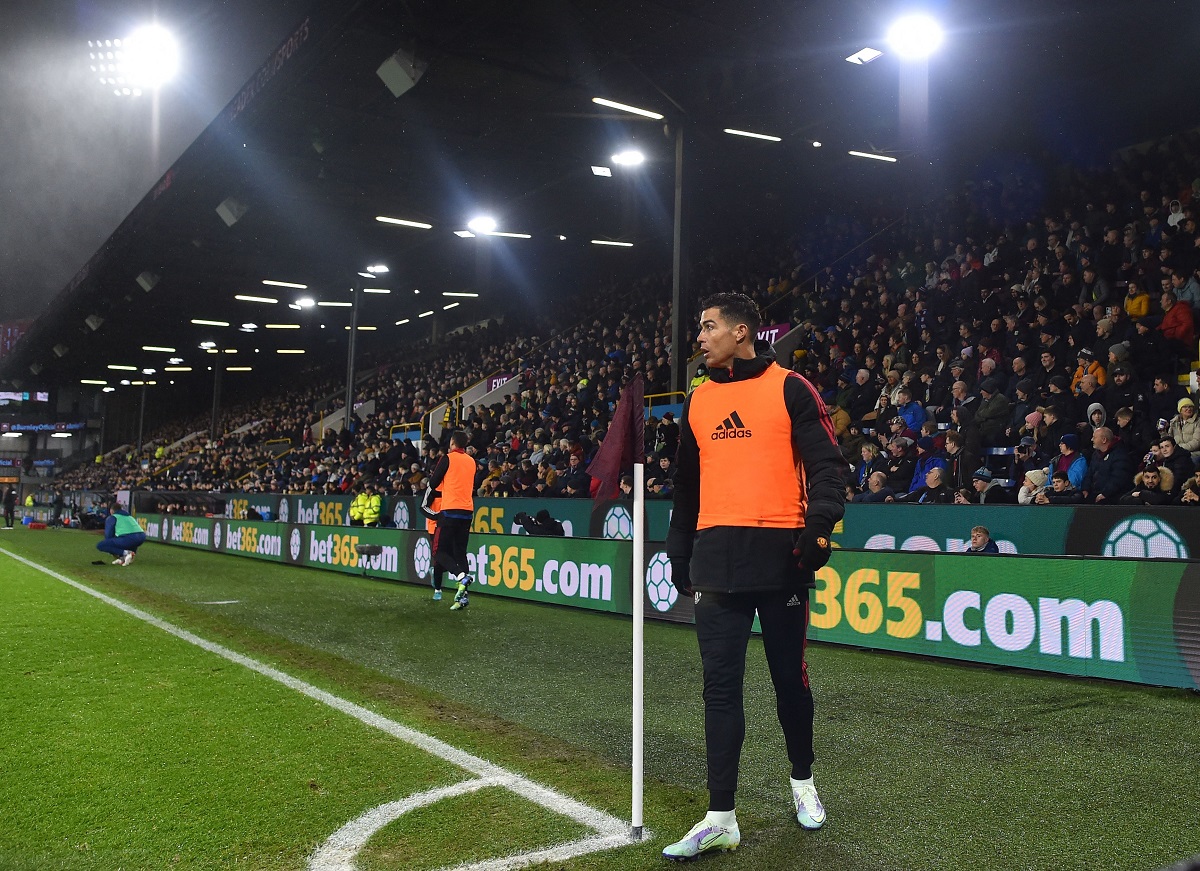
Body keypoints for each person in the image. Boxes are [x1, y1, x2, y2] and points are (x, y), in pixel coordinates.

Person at [664, 293, 845, 860]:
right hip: (717, 558)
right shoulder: (696, 402)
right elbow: (686, 489)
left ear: (742, 332)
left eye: (709, 326)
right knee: (719, 689)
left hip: (780, 559)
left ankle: (802, 780)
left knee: (789, 681)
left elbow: (828, 464)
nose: (700, 336)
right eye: (700, 327)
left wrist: (818, 528)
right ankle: (721, 816)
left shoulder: (791, 387)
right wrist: (678, 550)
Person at [422, 430, 477, 610]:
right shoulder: (471, 461)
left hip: (450, 510)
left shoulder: (448, 458)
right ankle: (463, 596)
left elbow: (433, 482)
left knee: (438, 552)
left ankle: (461, 577)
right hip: (467, 511)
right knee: (460, 552)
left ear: (453, 443)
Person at [95, 501, 147, 566]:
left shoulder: (113, 517)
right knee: (130, 541)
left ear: (111, 510)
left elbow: (108, 534)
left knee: (100, 545)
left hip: (129, 538)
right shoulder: (129, 516)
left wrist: (112, 549)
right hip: (141, 537)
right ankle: (124, 558)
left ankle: (126, 553)